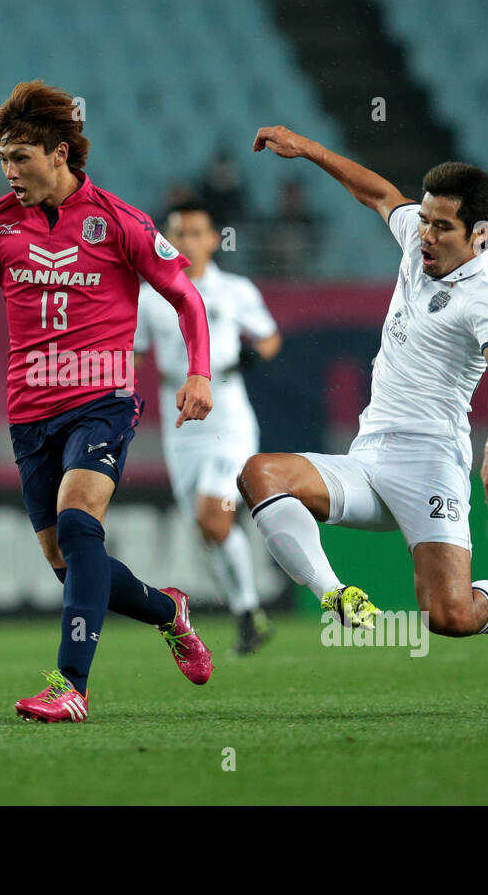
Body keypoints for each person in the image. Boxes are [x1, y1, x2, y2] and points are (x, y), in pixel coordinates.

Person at [0, 80, 216, 723]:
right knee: (69, 563)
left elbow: (186, 297)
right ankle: (167, 610)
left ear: (60, 153)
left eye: (21, 158)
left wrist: (198, 373)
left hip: (103, 400)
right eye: (3, 159)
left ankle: (70, 685)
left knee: (79, 523)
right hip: (30, 412)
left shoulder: (119, 222)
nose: (9, 172)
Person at [237, 125, 488, 663]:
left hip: (432, 463)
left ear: (479, 235)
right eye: (425, 220)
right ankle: (337, 598)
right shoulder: (417, 240)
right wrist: (308, 149)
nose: (425, 234)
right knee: (259, 474)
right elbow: (378, 193)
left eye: (442, 226)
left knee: (449, 617)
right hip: (370, 456)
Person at [133, 201, 282, 655]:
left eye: (197, 232)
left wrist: (251, 356)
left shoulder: (234, 289)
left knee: (212, 516)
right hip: (181, 429)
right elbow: (135, 352)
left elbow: (269, 336)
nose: (188, 241)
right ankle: (248, 613)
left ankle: (247, 609)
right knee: (205, 528)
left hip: (229, 423)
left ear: (214, 239)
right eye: (178, 233)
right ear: (167, 241)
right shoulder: (148, 296)